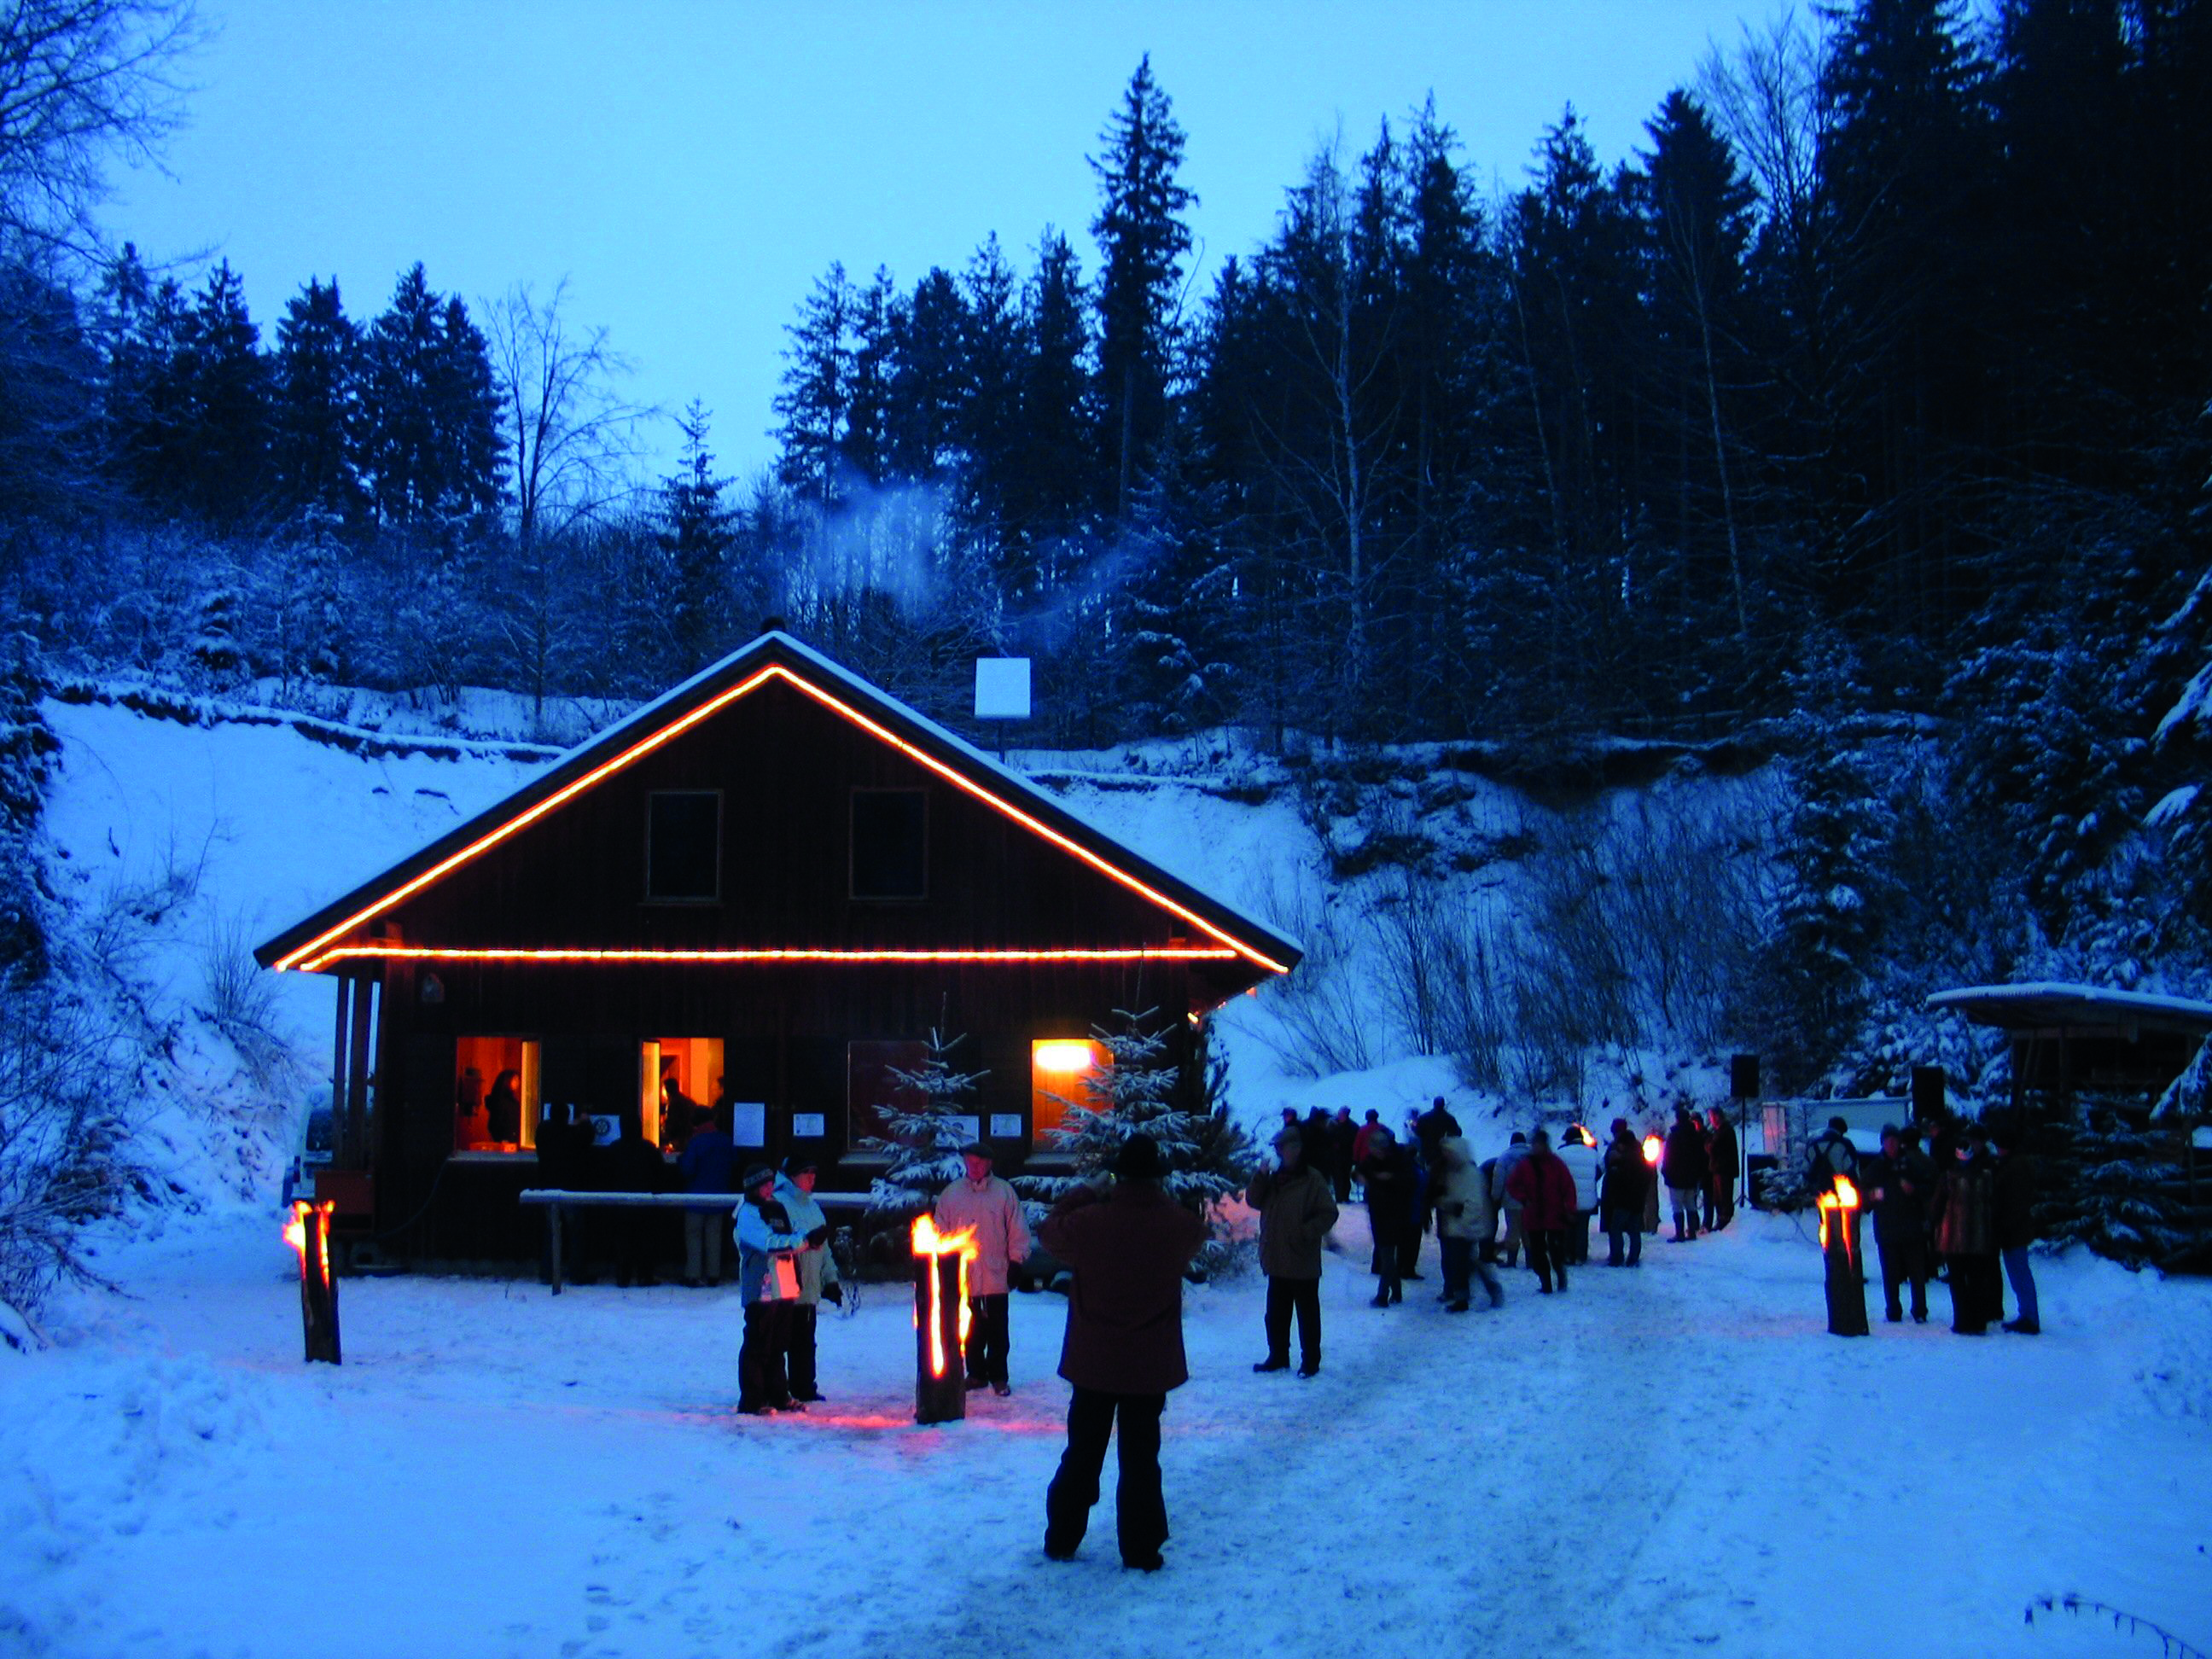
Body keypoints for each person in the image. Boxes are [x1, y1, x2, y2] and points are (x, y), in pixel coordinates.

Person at [1039, 1134, 1207, 1572]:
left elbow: (1050, 1228)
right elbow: (1195, 1234)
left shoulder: (1091, 1222)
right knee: (1141, 1459)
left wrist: (1088, 1189)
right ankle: (1141, 1548)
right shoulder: (1178, 1224)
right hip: (1149, 1365)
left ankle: (1062, 1538)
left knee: (1082, 1453)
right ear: (1158, 1177)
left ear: (1118, 1175)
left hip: (1094, 1361)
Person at [936, 1142, 1033, 1395]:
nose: (974, 1167)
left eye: (979, 1163)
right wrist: (944, 1263)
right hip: (964, 1275)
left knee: (998, 1331)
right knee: (971, 1329)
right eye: (970, 1162)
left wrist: (1016, 1261)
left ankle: (999, 1376)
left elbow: (1018, 1230)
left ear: (988, 1163)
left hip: (996, 1273)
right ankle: (976, 1373)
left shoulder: (1004, 1193)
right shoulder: (952, 1194)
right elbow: (940, 1230)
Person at [1246, 1126, 1338, 1374]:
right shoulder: (1273, 1179)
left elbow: (1329, 1213)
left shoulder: (1312, 1179)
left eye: (1282, 1147)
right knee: (1275, 1314)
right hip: (1276, 1257)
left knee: (1307, 1315)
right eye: (1276, 1148)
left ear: (1295, 1149)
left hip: (1301, 1258)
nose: (1278, 1152)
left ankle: (1311, 1361)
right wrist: (1260, 1176)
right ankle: (1278, 1356)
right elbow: (1253, 1201)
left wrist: (1305, 1232)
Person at [736, 1163, 819, 1412]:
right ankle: (752, 1400)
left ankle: (778, 1395)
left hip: (784, 1285)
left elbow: (789, 1235)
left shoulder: (776, 1208)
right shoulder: (748, 1213)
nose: (770, 1188)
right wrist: (802, 1241)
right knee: (758, 1343)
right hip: (761, 1286)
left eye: (771, 1183)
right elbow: (768, 1242)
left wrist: (809, 1238)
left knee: (779, 1344)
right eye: (764, 1185)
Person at [776, 1156, 841, 1400]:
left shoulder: (813, 1207)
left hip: (809, 1290)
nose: (812, 1178)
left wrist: (830, 1280)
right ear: (793, 1176)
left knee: (805, 1342)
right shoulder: (779, 1204)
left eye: (814, 1173)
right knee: (781, 1343)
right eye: (807, 1173)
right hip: (786, 1288)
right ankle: (778, 1389)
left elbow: (824, 1250)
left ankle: (804, 1386)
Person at [1930, 1126, 1999, 1336]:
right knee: (1977, 1281)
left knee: (1959, 1282)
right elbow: (1994, 1204)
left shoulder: (1949, 1177)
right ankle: (1978, 1321)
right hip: (1979, 1237)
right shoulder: (1987, 1177)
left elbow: (1937, 1206)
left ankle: (1962, 1320)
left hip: (1954, 1238)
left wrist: (1933, 1227)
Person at [1864, 1125, 1934, 1323]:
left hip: (1912, 1227)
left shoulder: (1911, 1164)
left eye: (1895, 1140)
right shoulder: (1876, 1167)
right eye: (1888, 1141)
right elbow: (1863, 1195)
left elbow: (1929, 1187)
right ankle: (1893, 1310)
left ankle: (1920, 1310)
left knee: (1917, 1273)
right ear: (1883, 1143)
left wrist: (1914, 1190)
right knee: (1890, 1273)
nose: (1892, 1145)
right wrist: (1874, 1196)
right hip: (1887, 1229)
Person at [1434, 1132, 1504, 1311]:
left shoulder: (1470, 1174)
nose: (1446, 1156)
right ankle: (1473, 1292)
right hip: (1455, 1225)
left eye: (1449, 1152)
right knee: (1464, 1262)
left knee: (1461, 1262)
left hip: (1466, 1225)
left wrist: (1462, 1218)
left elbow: (1474, 1203)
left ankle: (1465, 1297)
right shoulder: (1451, 1172)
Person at [1505, 1127, 1579, 1293]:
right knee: (1538, 1252)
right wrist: (1523, 1198)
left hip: (1555, 1214)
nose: (1537, 1147)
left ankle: (1560, 1275)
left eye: (1540, 1144)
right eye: (1535, 1144)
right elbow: (1512, 1184)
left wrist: (1569, 1207)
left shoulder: (1556, 1164)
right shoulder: (1526, 1165)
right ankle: (1546, 1282)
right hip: (1534, 1215)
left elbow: (1568, 1187)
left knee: (1556, 1251)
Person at [677, 1103, 737, 1287]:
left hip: (696, 1197)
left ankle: (693, 1274)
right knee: (714, 1236)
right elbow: (734, 1162)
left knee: (694, 1236)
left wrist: (680, 1159)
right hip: (719, 1197)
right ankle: (714, 1274)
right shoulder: (725, 1140)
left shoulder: (696, 1142)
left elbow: (687, 1169)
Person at [606, 1108, 667, 1288]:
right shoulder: (649, 1149)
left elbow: (607, 1175)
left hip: (621, 1202)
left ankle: (623, 1276)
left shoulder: (614, 1149)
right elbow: (660, 1173)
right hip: (645, 1202)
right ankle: (644, 1275)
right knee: (645, 1241)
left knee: (623, 1241)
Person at [1991, 1121, 2040, 1335]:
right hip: (2013, 1227)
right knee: (2018, 1272)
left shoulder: (2015, 1167)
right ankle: (2027, 1314)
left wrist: (2005, 1225)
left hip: (2014, 1229)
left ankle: (2030, 1316)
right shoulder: (2012, 1164)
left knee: (2019, 1272)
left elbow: (2015, 1201)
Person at [1359, 1126, 1413, 1307]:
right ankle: (1396, 1292)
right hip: (1378, 1212)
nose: (1377, 1153)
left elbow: (1407, 1183)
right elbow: (1359, 1171)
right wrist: (1361, 1177)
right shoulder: (1372, 1160)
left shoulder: (1399, 1161)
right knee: (1387, 1253)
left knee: (1387, 1254)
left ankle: (1383, 1295)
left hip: (1395, 1213)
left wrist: (1388, 1179)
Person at [1601, 1119, 1648, 1266]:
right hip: (1637, 1200)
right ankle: (1633, 1258)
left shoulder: (1622, 1158)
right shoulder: (1640, 1155)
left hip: (1623, 1200)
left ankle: (1617, 1257)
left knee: (1615, 1228)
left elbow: (1618, 1178)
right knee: (1634, 1231)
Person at [1554, 1124, 1601, 1265]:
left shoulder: (1561, 1153)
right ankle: (1581, 1256)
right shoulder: (1593, 1153)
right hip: (1588, 1199)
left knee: (1567, 1228)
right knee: (1582, 1229)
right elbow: (1599, 1172)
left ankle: (1568, 1255)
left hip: (1567, 1199)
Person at [1662, 1106, 1709, 1242]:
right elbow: (1701, 1156)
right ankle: (1692, 1232)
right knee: (1690, 1204)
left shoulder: (1674, 1136)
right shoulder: (1696, 1136)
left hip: (1676, 1177)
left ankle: (1679, 1233)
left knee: (1677, 1205)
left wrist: (1666, 1172)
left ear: (1677, 1119)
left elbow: (1668, 1157)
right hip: (1691, 1177)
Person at [1492, 1132, 1531, 1267]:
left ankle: (1511, 1260)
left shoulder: (1505, 1157)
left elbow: (1498, 1180)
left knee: (1512, 1231)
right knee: (1529, 1231)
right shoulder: (1533, 1156)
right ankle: (1531, 1260)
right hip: (1531, 1202)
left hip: (1511, 1200)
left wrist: (1496, 1198)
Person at [1806, 1115, 1860, 1196]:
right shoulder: (1845, 1144)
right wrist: (1858, 1187)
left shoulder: (1813, 1145)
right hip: (1841, 1189)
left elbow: (1806, 1168)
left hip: (1817, 1191)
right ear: (1842, 1130)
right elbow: (1852, 1167)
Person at [1705, 1106, 1739, 1231]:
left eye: (1712, 1117)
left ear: (1717, 1117)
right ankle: (1721, 1218)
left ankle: (1725, 1220)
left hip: (1724, 1169)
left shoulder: (1725, 1131)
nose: (1711, 1120)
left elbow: (1713, 1147)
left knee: (1724, 1196)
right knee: (1718, 1197)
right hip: (1719, 1168)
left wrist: (1708, 1143)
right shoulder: (1720, 1131)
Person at [486, 1068, 522, 1146]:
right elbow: (494, 1124)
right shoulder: (500, 1102)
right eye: (515, 1080)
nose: (518, 1083)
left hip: (514, 1143)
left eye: (518, 1080)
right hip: (504, 1144)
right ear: (507, 1081)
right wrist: (502, 1139)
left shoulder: (514, 1102)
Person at [1329, 1108, 1358, 1204]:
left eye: (1342, 1114)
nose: (1340, 1115)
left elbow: (1355, 1141)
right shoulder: (1333, 1124)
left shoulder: (1353, 1126)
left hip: (1347, 1155)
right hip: (1335, 1156)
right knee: (1337, 1177)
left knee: (1345, 1177)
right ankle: (1339, 1198)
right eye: (1340, 1114)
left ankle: (1345, 1197)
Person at [1351, 1109, 1382, 1176]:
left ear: (1366, 1118)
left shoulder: (1362, 1130)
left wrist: (1355, 1159)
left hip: (1365, 1161)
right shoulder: (1383, 1128)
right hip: (1381, 1160)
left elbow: (1357, 1146)